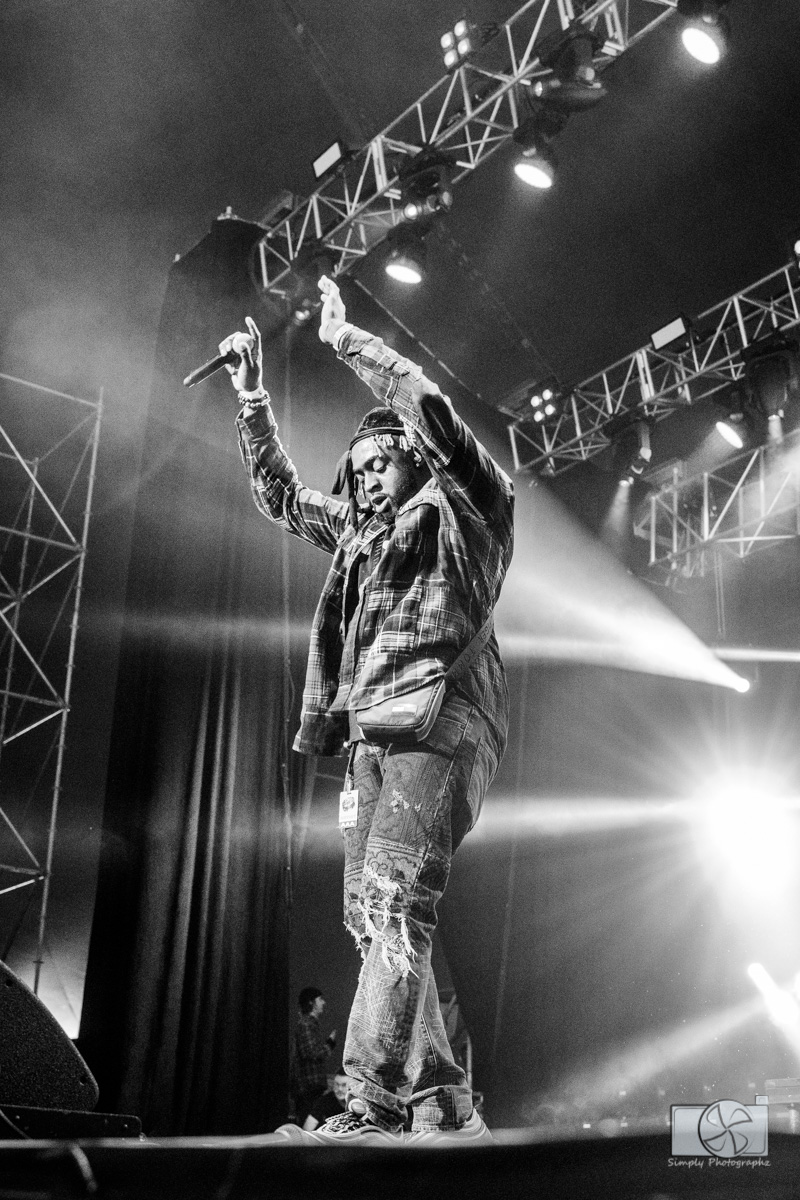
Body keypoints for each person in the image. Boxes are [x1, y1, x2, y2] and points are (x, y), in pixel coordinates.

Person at [222, 275, 514, 1146]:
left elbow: (430, 410)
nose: (366, 476)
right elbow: (284, 497)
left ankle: (372, 1103)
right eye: (357, 469)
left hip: (440, 726)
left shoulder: (468, 515)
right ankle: (444, 1103)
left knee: (393, 903)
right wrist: (253, 400)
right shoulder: (359, 531)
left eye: (381, 461)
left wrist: (347, 341)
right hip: (370, 741)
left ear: (417, 458)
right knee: (371, 918)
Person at [290, 987, 337, 1125]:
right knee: (308, 1125)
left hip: (311, 1087)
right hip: (308, 1087)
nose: (323, 1002)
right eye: (320, 999)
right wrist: (330, 1043)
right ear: (311, 1002)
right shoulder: (306, 1024)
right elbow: (312, 1053)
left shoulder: (309, 1024)